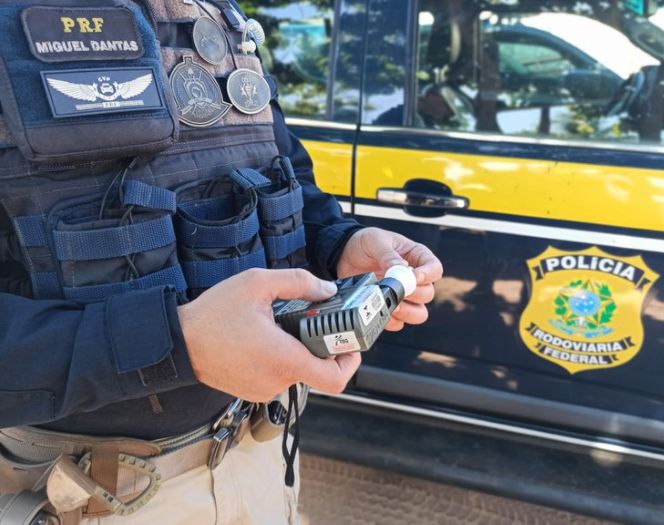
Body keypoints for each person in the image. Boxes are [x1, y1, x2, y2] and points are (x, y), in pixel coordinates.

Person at [0, 1, 442, 524]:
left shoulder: (214, 14)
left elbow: (279, 169)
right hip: (95, 494)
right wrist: (179, 344)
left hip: (256, 451)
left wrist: (339, 243)